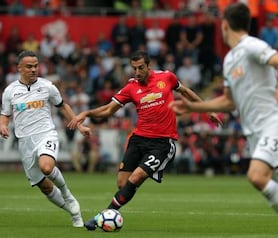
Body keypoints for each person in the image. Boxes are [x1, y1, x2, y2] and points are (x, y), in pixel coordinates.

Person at [169, 3, 278, 238]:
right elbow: (228, 102)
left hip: (274, 124)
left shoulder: (251, 45)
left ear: (225, 25)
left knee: (256, 176)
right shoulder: (229, 60)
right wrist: (195, 106)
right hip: (257, 134)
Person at [67, 50, 221, 230]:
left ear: (149, 66)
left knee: (137, 176)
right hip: (139, 139)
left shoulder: (167, 77)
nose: (137, 72)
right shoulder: (131, 87)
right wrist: (86, 113)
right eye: (134, 69)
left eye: (141, 68)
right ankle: (118, 206)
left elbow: (186, 92)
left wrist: (207, 110)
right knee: (122, 184)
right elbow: (108, 110)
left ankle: (103, 215)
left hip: (162, 143)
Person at [0, 50, 91, 227]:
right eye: (29, 66)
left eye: (35, 66)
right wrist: (3, 125)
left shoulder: (47, 86)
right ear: (19, 68)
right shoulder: (10, 91)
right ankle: (74, 214)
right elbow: (5, 114)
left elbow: (62, 106)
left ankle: (67, 194)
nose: (34, 69)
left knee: (46, 167)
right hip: (24, 142)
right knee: (45, 186)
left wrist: (79, 125)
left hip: (46, 134)